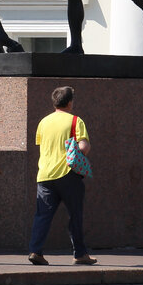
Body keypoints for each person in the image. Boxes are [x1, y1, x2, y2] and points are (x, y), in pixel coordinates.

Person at [28, 86, 97, 266]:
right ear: (70, 102)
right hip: (67, 174)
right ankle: (80, 254)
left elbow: (42, 145)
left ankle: (35, 251)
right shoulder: (75, 121)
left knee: (42, 215)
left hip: (44, 174)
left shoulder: (43, 122)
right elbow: (84, 147)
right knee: (75, 214)